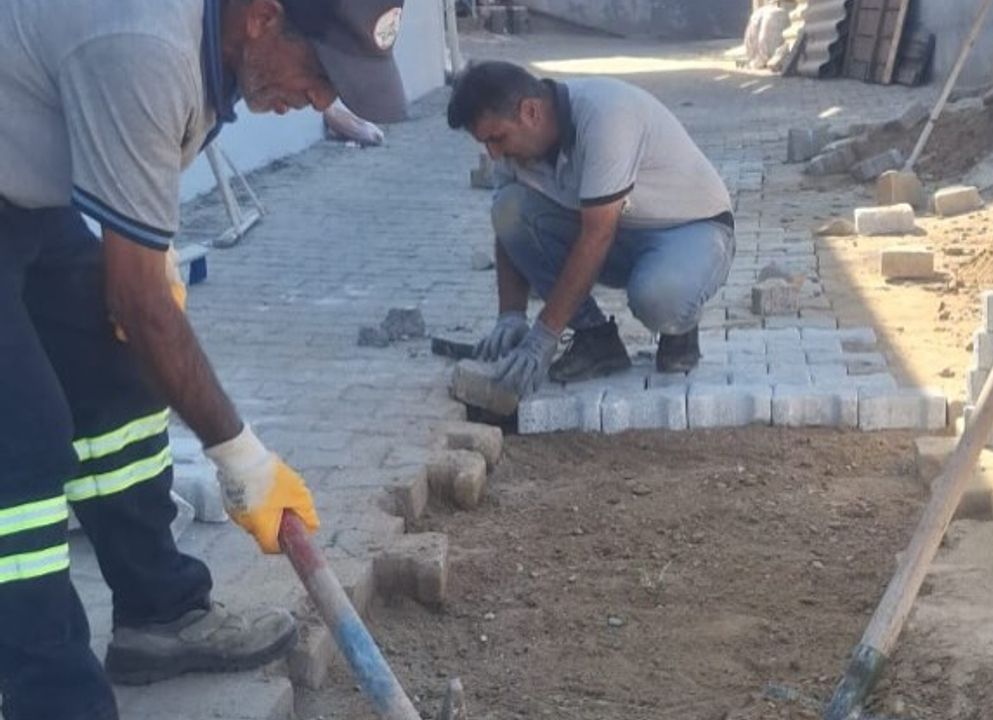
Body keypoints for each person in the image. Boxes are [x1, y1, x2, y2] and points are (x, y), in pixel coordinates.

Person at [0, 0, 408, 717]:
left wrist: (150, 260)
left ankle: (160, 614)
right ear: (262, 18)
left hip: (22, 194)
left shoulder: (209, 53)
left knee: (115, 380)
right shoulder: (148, 44)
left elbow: (134, 200)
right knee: (22, 447)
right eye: (318, 72)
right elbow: (138, 304)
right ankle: (52, 696)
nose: (321, 101)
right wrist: (243, 458)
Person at [447, 61, 736, 397]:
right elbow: (507, 225)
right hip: (615, 230)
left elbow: (597, 235)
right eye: (485, 143)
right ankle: (596, 339)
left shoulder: (605, 116)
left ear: (530, 112)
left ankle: (680, 329)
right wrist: (510, 315)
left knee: (659, 298)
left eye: (497, 138)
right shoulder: (515, 152)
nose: (494, 154)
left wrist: (543, 337)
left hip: (690, 229)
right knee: (509, 206)